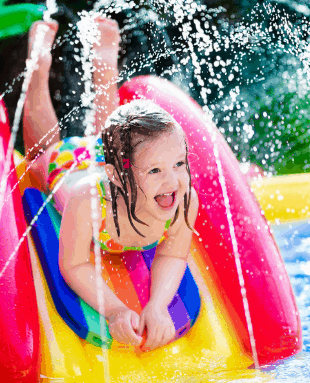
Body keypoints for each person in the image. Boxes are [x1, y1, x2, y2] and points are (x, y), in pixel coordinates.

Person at [23, 19, 199, 352]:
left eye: (179, 163)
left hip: (118, 161)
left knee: (120, 135)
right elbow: (74, 264)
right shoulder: (90, 202)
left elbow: (174, 253)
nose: (172, 180)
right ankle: (38, 67)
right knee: (41, 151)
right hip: (71, 165)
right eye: (157, 171)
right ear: (117, 178)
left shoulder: (183, 198)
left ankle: (104, 64)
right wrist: (117, 310)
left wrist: (158, 304)